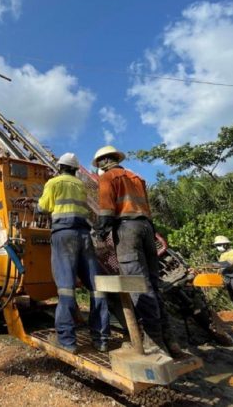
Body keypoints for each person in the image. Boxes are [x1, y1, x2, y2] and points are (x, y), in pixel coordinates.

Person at [92, 145, 182, 356]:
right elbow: (146, 208)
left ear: (104, 161)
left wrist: (100, 234)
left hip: (127, 231)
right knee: (153, 284)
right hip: (147, 229)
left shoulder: (108, 178)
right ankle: (170, 340)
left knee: (138, 285)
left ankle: (154, 342)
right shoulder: (136, 177)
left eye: (99, 163)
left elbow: (106, 212)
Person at [37, 152, 110, 353]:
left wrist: (36, 205)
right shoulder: (80, 185)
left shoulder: (53, 182)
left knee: (66, 288)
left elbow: (43, 207)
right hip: (84, 235)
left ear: (60, 167)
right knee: (96, 287)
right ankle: (101, 339)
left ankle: (67, 341)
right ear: (76, 169)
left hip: (64, 235)